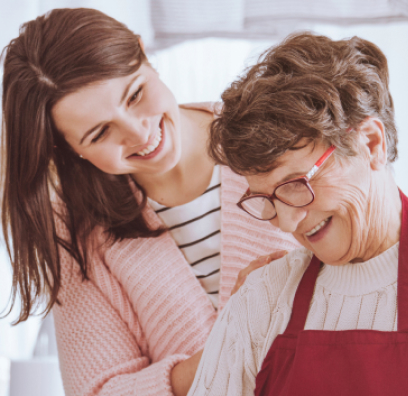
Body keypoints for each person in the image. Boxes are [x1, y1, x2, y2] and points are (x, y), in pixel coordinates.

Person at [1, 8, 298, 396]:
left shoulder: (278, 136)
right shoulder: (72, 230)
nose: (139, 133)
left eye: (136, 94)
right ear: (68, 148)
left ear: (144, 52)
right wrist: (234, 339)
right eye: (99, 133)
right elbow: (102, 390)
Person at [187, 32, 406, 396]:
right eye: (266, 199)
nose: (288, 223)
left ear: (370, 144)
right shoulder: (262, 300)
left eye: (295, 183)